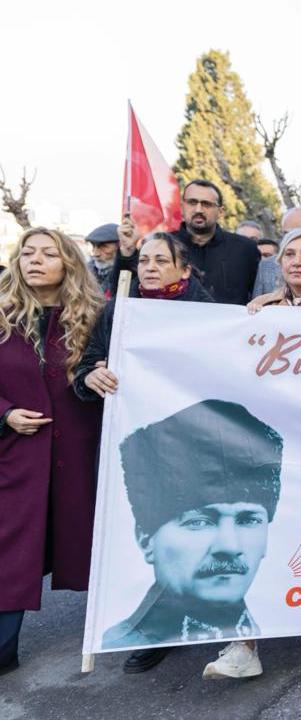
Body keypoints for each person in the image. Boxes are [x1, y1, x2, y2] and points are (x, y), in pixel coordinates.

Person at [102, 399, 282, 684]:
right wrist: (91, 375)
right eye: (199, 522)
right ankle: (157, 643)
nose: (229, 546)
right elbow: (91, 362)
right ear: (146, 538)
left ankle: (244, 646)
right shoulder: (114, 635)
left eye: (248, 520)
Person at [0, 227, 105, 678]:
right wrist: (4, 415)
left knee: (99, 541)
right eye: (27, 253)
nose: (35, 260)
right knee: (10, 550)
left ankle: (137, 633)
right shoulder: (1, 316)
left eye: (48, 253)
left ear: (68, 264)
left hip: (81, 455)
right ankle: (4, 647)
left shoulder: (96, 316)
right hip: (14, 457)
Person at [74, 233, 215, 405]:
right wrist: (89, 377)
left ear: (185, 271)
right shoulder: (116, 309)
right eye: (143, 261)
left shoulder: (209, 316)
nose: (150, 268)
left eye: (161, 261)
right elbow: (88, 362)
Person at [115, 180, 261, 304]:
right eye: (192, 202)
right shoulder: (160, 245)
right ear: (182, 207)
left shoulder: (245, 249)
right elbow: (126, 291)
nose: (198, 209)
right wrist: (127, 252)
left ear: (221, 212)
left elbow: (259, 296)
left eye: (206, 204)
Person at [85, 223, 120, 293]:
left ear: (119, 246)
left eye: (104, 247)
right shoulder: (84, 272)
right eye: (94, 246)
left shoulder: (130, 274)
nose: (96, 253)